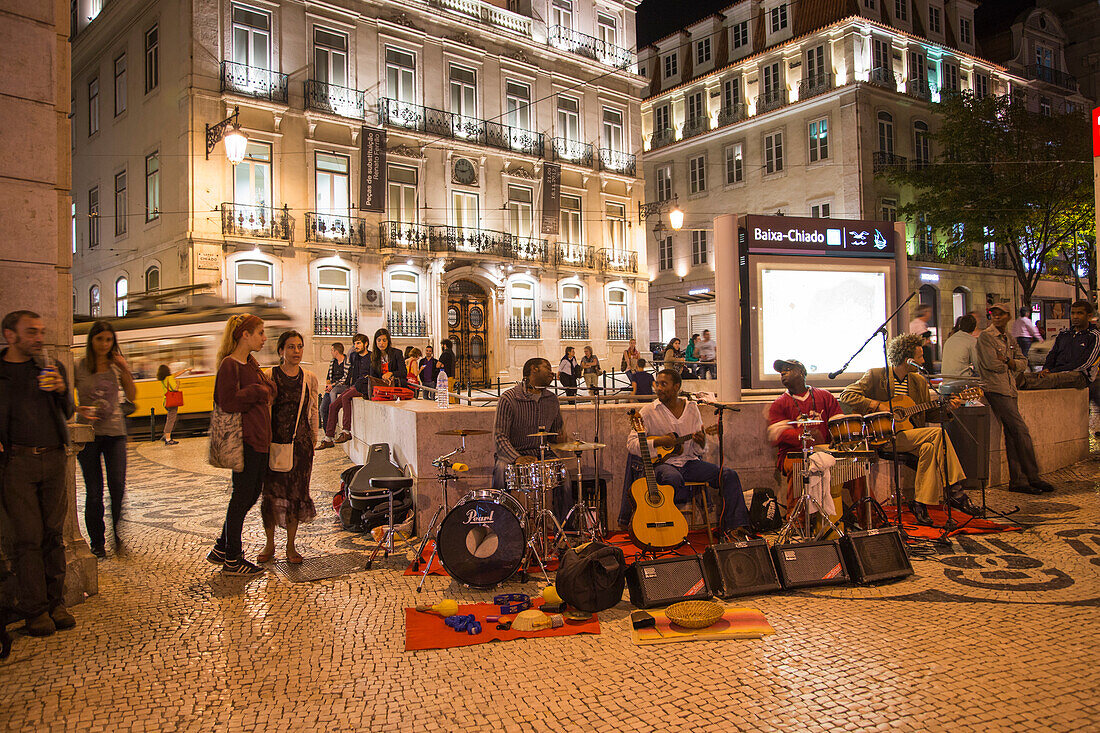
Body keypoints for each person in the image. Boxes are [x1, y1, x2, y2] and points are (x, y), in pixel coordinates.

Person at [0, 310, 81, 636]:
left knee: (54, 535)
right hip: (17, 463)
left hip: (54, 458)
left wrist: (62, 390)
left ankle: (55, 603)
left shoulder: (50, 368)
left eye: (41, 331)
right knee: (27, 539)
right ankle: (35, 611)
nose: (39, 337)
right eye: (31, 332)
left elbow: (68, 412)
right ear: (11, 335)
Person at [839, 333, 975, 526]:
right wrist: (878, 405)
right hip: (884, 437)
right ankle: (955, 491)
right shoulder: (876, 375)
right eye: (920, 357)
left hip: (910, 436)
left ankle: (920, 503)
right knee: (938, 434)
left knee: (929, 447)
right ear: (907, 359)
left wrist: (947, 408)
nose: (923, 360)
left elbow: (928, 415)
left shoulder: (918, 382)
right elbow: (847, 395)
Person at [621, 369, 752, 541]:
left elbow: (698, 452)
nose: (659, 388)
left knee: (728, 475)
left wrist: (701, 442)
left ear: (676, 387)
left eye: (664, 384)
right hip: (662, 465)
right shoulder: (648, 411)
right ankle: (667, 527)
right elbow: (631, 444)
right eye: (657, 384)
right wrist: (660, 442)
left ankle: (735, 528)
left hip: (689, 463)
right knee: (672, 479)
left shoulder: (692, 409)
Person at [208, 313, 275, 576]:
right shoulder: (230, 365)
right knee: (242, 496)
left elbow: (272, 390)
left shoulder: (251, 363)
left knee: (249, 493)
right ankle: (233, 557)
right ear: (244, 335)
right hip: (245, 439)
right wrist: (258, 392)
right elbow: (227, 401)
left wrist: (263, 389)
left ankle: (223, 546)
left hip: (259, 438)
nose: (264, 337)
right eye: (260, 332)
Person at [977, 300, 1054, 496]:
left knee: (1012, 435)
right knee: (1021, 431)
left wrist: (1009, 361)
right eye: (994, 313)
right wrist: (1010, 363)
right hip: (996, 389)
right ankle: (1033, 476)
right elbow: (992, 364)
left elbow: (1022, 362)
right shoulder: (987, 337)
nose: (996, 316)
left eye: (1001, 314)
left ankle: (1018, 480)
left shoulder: (1009, 338)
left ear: (1008, 316)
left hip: (1010, 388)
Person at [75, 320, 137, 558]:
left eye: (109, 339)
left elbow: (131, 396)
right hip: (89, 435)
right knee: (94, 490)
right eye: (100, 339)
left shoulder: (116, 366)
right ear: (92, 340)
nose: (104, 344)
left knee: (118, 486)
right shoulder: (79, 366)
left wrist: (125, 371)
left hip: (115, 433)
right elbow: (66, 398)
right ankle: (97, 542)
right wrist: (79, 409)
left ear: (113, 342)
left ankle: (116, 533)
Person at [258, 331, 318, 565]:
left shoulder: (309, 377)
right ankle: (269, 543)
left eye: (299, 347)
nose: (296, 351)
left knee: (295, 495)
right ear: (281, 350)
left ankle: (291, 545)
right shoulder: (269, 375)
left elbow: (312, 409)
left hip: (300, 446)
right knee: (271, 495)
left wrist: (313, 438)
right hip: (274, 444)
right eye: (291, 347)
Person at [492, 357, 570, 518]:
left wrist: (561, 437)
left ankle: (565, 530)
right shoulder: (509, 398)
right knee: (500, 473)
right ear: (533, 369)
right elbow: (500, 437)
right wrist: (517, 458)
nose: (551, 372)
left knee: (564, 474)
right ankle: (499, 524)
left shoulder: (552, 400)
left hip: (540, 452)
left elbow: (555, 433)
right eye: (547, 367)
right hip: (513, 453)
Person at [766, 358, 844, 510]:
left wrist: (837, 437)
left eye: (788, 369)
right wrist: (806, 438)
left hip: (825, 452)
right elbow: (777, 434)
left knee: (855, 467)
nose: (782, 372)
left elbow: (839, 422)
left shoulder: (824, 396)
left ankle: (869, 520)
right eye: (781, 371)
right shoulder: (779, 403)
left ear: (801, 372)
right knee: (798, 468)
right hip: (794, 454)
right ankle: (796, 523)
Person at [1042, 299, 1100, 412]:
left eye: (1080, 313)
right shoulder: (1064, 334)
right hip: (1058, 372)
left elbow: (1085, 362)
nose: (1075, 317)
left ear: (1089, 316)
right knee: (1039, 377)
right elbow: (1052, 354)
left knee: (1050, 379)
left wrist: (1056, 371)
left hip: (1081, 376)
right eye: (1073, 313)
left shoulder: (1094, 336)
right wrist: (1047, 368)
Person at [319, 334, 369, 448]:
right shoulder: (354, 357)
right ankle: (328, 438)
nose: (356, 346)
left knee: (345, 397)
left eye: (359, 343)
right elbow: (350, 359)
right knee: (332, 406)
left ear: (366, 344)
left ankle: (346, 431)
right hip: (354, 386)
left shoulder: (370, 357)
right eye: (355, 343)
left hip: (364, 387)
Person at [367, 328, 408, 396]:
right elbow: (373, 376)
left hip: (395, 384)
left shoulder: (397, 353)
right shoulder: (373, 356)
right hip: (381, 384)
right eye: (379, 340)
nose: (381, 343)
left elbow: (403, 372)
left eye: (384, 340)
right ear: (375, 342)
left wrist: (391, 373)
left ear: (388, 341)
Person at [157, 363, 190, 445]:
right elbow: (175, 388)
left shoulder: (163, 379)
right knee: (171, 420)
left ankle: (165, 435)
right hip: (172, 402)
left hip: (166, 402)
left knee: (169, 419)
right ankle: (168, 439)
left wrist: (185, 370)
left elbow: (175, 374)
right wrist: (178, 383)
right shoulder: (170, 378)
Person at [319, 343, 347, 434]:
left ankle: (334, 412)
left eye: (332, 350)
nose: (331, 352)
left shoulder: (347, 362)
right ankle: (327, 431)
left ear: (336, 351)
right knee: (323, 409)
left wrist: (333, 385)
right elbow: (328, 376)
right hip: (331, 387)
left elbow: (345, 378)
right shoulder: (333, 362)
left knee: (332, 403)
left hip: (341, 386)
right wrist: (328, 386)